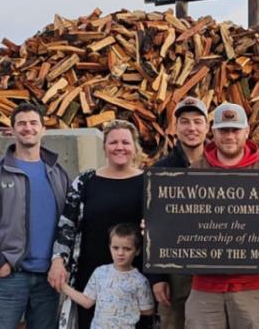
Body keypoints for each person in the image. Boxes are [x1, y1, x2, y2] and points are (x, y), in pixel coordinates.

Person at [0, 103, 69, 329]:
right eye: (21, 123)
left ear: (43, 130)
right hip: (9, 276)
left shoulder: (58, 173)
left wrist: (61, 262)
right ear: (12, 130)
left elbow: (69, 224)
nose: (27, 128)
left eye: (33, 123)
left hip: (49, 279)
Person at [49, 120, 150, 329]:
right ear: (104, 147)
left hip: (136, 275)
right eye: (113, 142)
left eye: (125, 142)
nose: (119, 147)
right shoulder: (86, 181)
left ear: (134, 147)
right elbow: (67, 224)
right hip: (92, 276)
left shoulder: (150, 182)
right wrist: (58, 260)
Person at [186, 102, 259, 329]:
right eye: (224, 130)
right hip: (204, 286)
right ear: (213, 132)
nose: (230, 136)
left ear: (246, 131)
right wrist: (157, 226)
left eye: (235, 130)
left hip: (251, 286)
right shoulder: (194, 172)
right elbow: (178, 221)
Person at [148, 97, 210, 329]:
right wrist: (158, 277)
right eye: (184, 122)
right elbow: (151, 228)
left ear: (207, 127)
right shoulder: (160, 171)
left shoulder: (221, 169)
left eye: (197, 121)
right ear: (176, 128)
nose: (191, 128)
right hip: (174, 273)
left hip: (213, 271)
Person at [60, 223, 155, 329]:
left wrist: (127, 308)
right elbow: (87, 301)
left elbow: (148, 310)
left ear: (137, 250)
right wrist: (63, 286)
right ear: (109, 247)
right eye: (115, 248)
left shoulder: (140, 281)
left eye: (127, 249)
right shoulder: (100, 272)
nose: (120, 253)